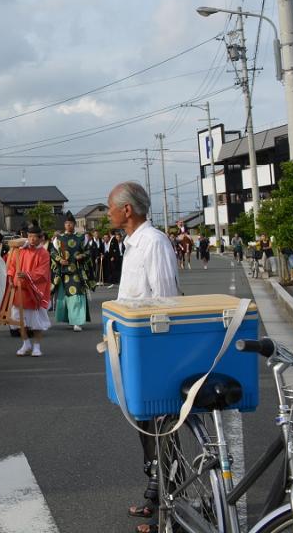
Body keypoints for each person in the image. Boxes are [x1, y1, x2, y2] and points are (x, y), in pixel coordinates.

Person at [106, 181, 180, 531]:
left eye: (109, 208)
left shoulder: (153, 242)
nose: (107, 214)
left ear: (127, 210)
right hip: (135, 347)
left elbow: (166, 300)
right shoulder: (132, 244)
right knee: (145, 426)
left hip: (153, 349)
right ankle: (157, 496)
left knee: (161, 428)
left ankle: (170, 504)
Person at [9, 225, 52, 356]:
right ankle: (25, 343)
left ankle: (37, 346)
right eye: (30, 236)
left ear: (41, 238)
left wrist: (27, 275)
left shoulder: (44, 253)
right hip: (19, 290)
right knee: (20, 320)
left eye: (35, 237)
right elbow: (11, 265)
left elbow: (42, 273)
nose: (32, 239)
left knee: (36, 322)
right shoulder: (20, 250)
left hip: (34, 291)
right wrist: (11, 277)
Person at [51, 213, 91, 332]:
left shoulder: (81, 237)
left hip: (77, 271)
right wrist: (59, 260)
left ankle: (77, 321)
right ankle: (70, 319)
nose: (68, 225)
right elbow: (53, 253)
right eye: (66, 223)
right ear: (64, 225)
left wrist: (82, 255)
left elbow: (89, 252)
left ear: (74, 224)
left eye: (71, 223)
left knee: (77, 295)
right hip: (63, 272)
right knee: (65, 298)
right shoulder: (58, 239)